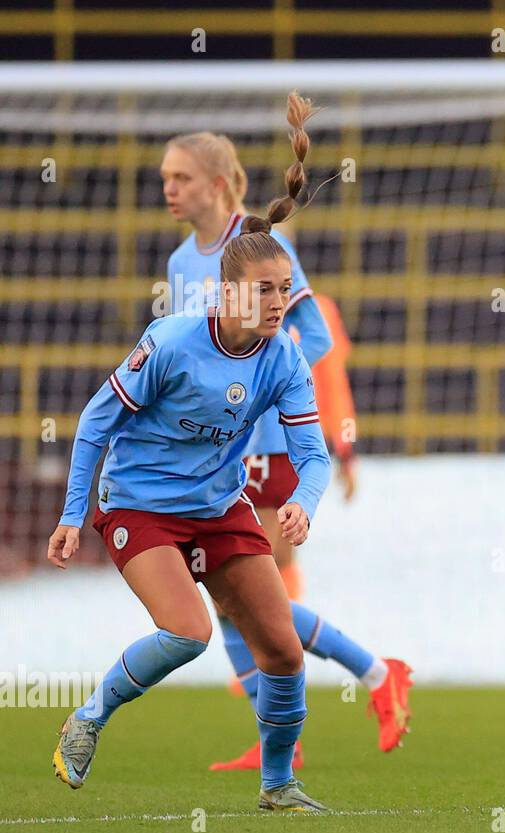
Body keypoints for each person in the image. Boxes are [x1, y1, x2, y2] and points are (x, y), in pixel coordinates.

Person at [49, 97, 336, 810]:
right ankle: (89, 717)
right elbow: (93, 419)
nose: (279, 305)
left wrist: (301, 501)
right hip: (140, 504)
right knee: (189, 632)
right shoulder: (174, 340)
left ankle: (278, 786)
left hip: (218, 504)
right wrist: (70, 510)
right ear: (227, 292)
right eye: (265, 293)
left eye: (284, 292)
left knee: (283, 653)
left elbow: (315, 452)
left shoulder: (285, 359)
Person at [159, 109, 411, 769]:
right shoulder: (182, 261)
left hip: (265, 444)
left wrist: (261, 382)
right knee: (224, 590)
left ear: (218, 184)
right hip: (212, 449)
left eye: (181, 177)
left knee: (247, 588)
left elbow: (316, 337)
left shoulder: (258, 244)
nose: (169, 189)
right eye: (165, 178)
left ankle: (377, 674)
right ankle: (285, 737)